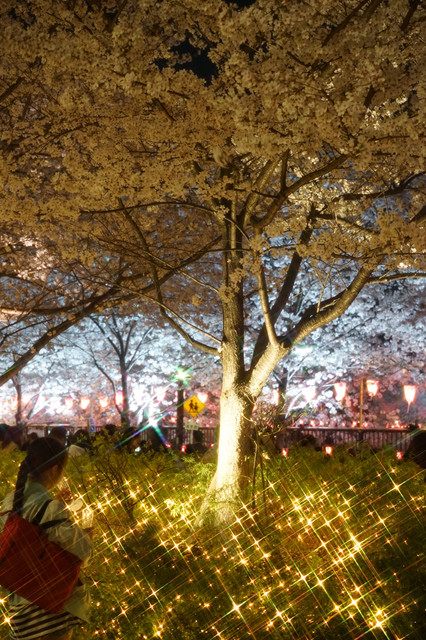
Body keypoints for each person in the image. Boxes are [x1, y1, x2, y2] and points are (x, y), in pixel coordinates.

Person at [0, 437, 93, 640]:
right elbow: (84, 552)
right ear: (54, 469)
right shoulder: (48, 508)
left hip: (19, 615)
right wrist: (87, 533)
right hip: (49, 613)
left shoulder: (8, 501)